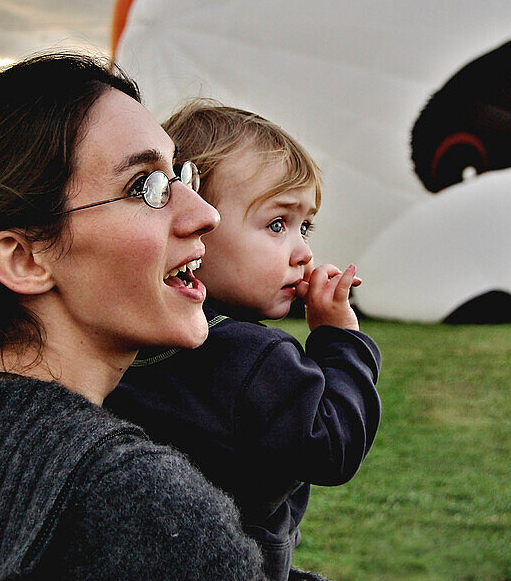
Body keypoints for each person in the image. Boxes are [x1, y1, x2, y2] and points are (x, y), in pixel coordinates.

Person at [0, 54, 264, 580]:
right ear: (22, 258)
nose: (205, 213)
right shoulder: (132, 501)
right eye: (146, 187)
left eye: (182, 175)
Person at [106, 99, 382, 581]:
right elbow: (332, 445)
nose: (303, 252)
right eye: (277, 225)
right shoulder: (256, 356)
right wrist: (340, 339)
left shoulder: (123, 335)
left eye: (304, 226)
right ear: (196, 224)